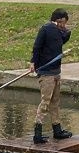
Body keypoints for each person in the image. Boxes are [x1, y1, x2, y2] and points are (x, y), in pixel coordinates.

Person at [30, 8, 72, 144]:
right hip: (46, 73)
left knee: (55, 102)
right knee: (45, 102)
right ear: (58, 20)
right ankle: (37, 132)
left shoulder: (59, 31)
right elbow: (37, 47)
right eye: (64, 23)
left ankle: (57, 130)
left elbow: (61, 41)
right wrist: (33, 63)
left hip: (56, 72)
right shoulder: (45, 29)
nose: (64, 26)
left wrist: (66, 32)